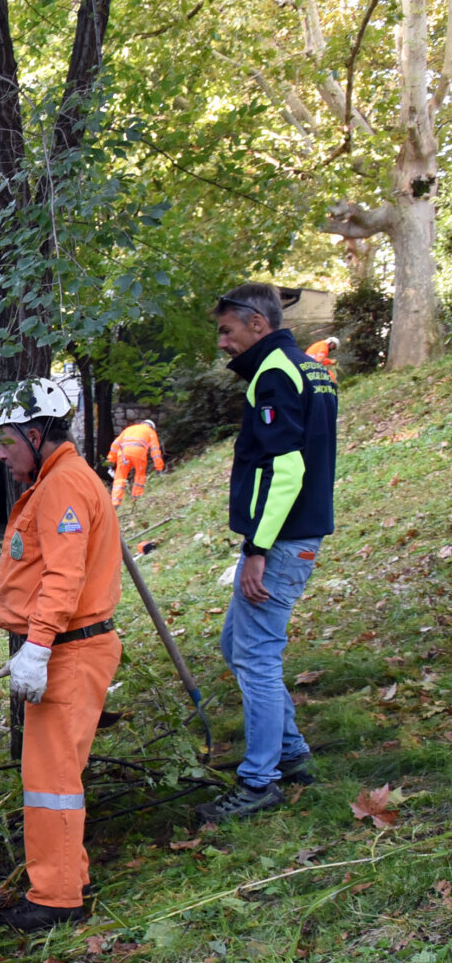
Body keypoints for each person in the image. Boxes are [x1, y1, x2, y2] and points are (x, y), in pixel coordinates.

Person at [198, 284, 339, 821]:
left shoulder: (276, 372)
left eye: (227, 330)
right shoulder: (310, 368)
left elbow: (286, 469)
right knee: (236, 642)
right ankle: (290, 750)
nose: (222, 342)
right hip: (292, 533)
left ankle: (259, 782)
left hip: (280, 541)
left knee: (255, 656)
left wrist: (257, 547)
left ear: (258, 324)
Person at [0, 378, 123, 932]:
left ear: (37, 433)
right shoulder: (61, 479)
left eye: (7, 441)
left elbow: (63, 576)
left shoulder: (64, 486)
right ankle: (70, 876)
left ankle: (56, 897)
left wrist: (39, 647)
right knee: (59, 774)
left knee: (51, 780)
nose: (1, 453)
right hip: (71, 647)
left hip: (69, 650)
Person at [105, 419, 166, 508]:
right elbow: (155, 451)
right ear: (152, 427)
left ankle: (115, 503)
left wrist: (111, 459)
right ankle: (136, 499)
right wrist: (159, 468)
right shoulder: (150, 432)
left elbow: (115, 444)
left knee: (120, 478)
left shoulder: (129, 429)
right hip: (138, 453)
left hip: (123, 453)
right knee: (139, 476)